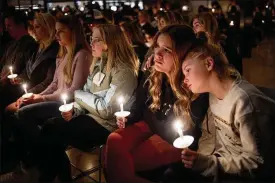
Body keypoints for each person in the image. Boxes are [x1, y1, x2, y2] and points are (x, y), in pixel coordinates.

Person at [34, 24, 139, 182]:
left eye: (96, 40)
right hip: (90, 119)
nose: (91, 43)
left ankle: (52, 178)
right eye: (91, 38)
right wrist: (74, 110)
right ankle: (58, 177)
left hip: (107, 127)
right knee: (49, 128)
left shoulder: (123, 71)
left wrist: (78, 95)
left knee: (53, 131)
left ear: (109, 42)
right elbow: (87, 98)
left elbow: (106, 109)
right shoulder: (97, 66)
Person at [105, 24, 209, 183]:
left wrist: (149, 116)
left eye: (167, 50)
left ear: (182, 54)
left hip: (176, 142)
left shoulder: (193, 84)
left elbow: (178, 134)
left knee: (127, 161)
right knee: (114, 140)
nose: (157, 54)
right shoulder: (155, 74)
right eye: (157, 47)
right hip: (156, 127)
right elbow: (139, 107)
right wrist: (128, 118)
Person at [168, 41, 275, 182]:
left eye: (187, 70)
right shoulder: (214, 95)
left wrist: (208, 163)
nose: (185, 80)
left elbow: (257, 163)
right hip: (227, 168)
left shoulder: (244, 102)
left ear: (208, 64)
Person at [2, 15, 92, 174]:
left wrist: (40, 98)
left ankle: (41, 160)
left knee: (24, 113)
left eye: (61, 31)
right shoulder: (63, 54)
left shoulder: (82, 55)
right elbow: (54, 84)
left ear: (73, 32)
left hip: (68, 104)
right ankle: (45, 160)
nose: (56, 35)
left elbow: (74, 91)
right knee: (21, 111)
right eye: (56, 31)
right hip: (55, 99)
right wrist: (34, 97)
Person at [3, 13, 59, 113]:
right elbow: (27, 70)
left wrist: (29, 94)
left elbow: (49, 81)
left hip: (40, 93)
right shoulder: (38, 47)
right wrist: (19, 79)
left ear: (48, 27)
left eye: (37, 27)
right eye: (33, 27)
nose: (33, 30)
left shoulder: (55, 50)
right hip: (28, 90)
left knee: (8, 108)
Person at [0, 11, 36, 88]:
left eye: (9, 25)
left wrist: (6, 79)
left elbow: (27, 71)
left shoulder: (31, 44)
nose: (6, 29)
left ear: (21, 25)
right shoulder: (11, 45)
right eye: (6, 26)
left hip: (15, 88)